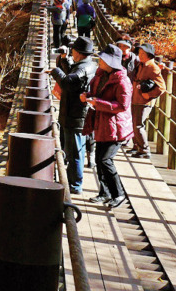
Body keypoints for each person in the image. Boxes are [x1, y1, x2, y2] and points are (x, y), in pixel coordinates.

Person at [81, 44, 133, 207]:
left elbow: (122, 106)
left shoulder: (122, 81)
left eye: (102, 59)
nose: (99, 61)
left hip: (116, 127)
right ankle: (105, 193)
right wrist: (88, 96)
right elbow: (96, 94)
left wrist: (98, 103)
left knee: (105, 160)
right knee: (99, 158)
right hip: (102, 122)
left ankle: (119, 194)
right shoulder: (101, 75)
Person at [50, 36, 98, 194]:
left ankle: (75, 185)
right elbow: (73, 75)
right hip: (74, 113)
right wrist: (64, 61)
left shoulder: (83, 68)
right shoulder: (87, 65)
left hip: (76, 114)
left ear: (78, 52)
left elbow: (67, 83)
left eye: (73, 50)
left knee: (75, 151)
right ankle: (72, 181)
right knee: (73, 149)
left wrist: (55, 71)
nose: (71, 52)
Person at [130, 43, 165, 158]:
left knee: (138, 125)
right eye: (139, 53)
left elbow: (162, 87)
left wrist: (148, 95)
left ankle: (145, 150)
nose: (140, 56)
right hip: (135, 98)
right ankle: (137, 147)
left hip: (144, 101)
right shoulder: (141, 65)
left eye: (143, 54)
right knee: (135, 124)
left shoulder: (152, 67)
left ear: (149, 55)